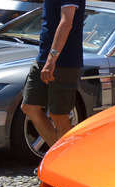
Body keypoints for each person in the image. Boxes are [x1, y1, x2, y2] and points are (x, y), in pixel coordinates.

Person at [20, 0, 85, 148]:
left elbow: (67, 22)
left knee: (59, 114)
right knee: (29, 106)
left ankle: (66, 163)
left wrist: (52, 59)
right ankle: (57, 157)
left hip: (62, 61)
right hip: (43, 58)